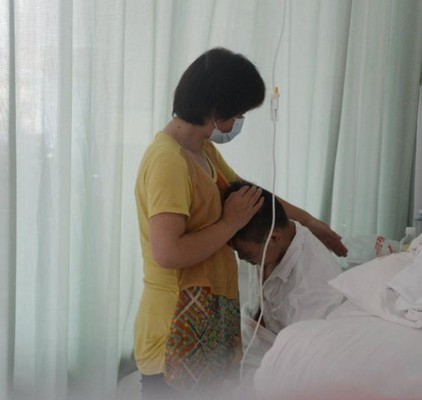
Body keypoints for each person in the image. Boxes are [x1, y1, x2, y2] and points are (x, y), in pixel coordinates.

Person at [134, 47, 347, 399]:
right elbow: (168, 252)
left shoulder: (202, 150)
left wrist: (311, 222)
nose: (238, 122)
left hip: (208, 323)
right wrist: (229, 224)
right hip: (175, 332)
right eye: (238, 114)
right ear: (217, 110)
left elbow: (253, 198)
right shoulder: (167, 161)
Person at [226, 182, 345, 336]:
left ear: (274, 238)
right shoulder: (270, 243)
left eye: (247, 254)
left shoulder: (311, 285)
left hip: (300, 344)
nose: (241, 258)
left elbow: (304, 345)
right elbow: (261, 308)